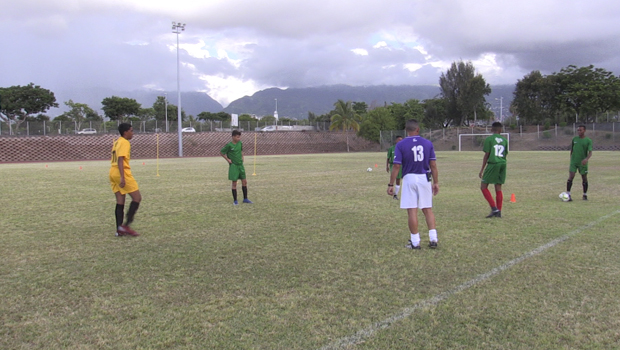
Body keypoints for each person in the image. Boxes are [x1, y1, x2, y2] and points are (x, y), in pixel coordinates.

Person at [387, 119, 439, 249]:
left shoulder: (401, 144)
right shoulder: (427, 143)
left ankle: (415, 242)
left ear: (406, 131)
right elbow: (433, 165)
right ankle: (433, 239)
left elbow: (397, 165)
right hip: (424, 178)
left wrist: (390, 184)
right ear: (418, 129)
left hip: (409, 178)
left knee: (412, 211)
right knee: (427, 209)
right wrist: (436, 182)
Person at [109, 123, 141, 237]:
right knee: (137, 198)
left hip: (112, 172)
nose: (133, 133)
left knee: (120, 201)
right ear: (125, 132)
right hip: (121, 172)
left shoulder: (117, 141)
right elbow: (120, 159)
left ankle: (119, 229)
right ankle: (126, 225)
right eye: (131, 131)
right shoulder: (124, 142)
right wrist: (122, 177)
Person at [479, 122, 508, 218]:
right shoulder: (504, 140)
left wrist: (482, 169)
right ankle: (499, 211)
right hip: (502, 163)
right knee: (498, 187)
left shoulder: (489, 139)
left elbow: (486, 155)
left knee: (483, 186)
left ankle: (494, 208)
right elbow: (505, 153)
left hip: (493, 163)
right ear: (501, 130)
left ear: (492, 130)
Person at [221, 130, 252, 205]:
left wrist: (242, 157)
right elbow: (222, 152)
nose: (239, 138)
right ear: (233, 137)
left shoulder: (240, 143)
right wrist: (228, 160)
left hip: (240, 165)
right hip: (234, 166)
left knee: (244, 181)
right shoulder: (229, 145)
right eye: (237, 137)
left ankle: (245, 198)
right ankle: (235, 200)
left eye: (239, 137)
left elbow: (241, 150)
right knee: (234, 183)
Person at [566, 124, 592, 201]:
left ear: (584, 130)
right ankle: (568, 194)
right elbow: (572, 149)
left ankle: (585, 195)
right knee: (571, 176)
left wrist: (586, 159)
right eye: (578, 130)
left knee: (584, 178)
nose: (579, 131)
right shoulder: (574, 139)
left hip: (582, 162)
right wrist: (571, 158)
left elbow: (590, 152)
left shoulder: (588, 141)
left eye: (581, 130)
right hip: (574, 162)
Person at [386, 135, 403, 200]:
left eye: (401, 140)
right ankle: (391, 187)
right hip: (393, 165)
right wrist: (386, 166)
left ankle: (395, 194)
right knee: (393, 177)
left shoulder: (403, 148)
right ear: (396, 140)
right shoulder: (392, 148)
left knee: (398, 180)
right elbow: (388, 158)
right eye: (399, 140)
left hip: (400, 165)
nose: (400, 141)